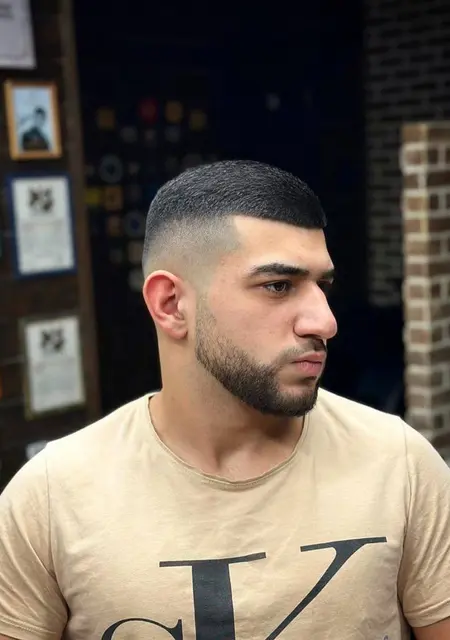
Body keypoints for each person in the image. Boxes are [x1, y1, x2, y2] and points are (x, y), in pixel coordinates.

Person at [0, 160, 449, 640]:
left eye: (323, 286)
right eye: (278, 286)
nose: (325, 321)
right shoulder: (51, 498)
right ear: (171, 304)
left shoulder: (398, 463)